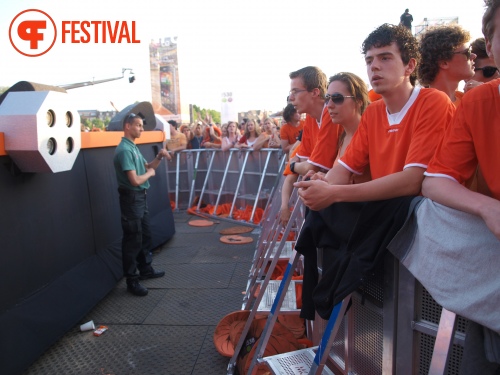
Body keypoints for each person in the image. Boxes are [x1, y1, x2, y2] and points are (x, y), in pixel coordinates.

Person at [292, 24, 455, 320]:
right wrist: (321, 184)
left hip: (423, 229)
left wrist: (333, 192)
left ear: (410, 65)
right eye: (369, 60)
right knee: (317, 214)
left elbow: (412, 181)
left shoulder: (433, 102)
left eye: (385, 58)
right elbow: (343, 169)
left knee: (415, 320)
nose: (375, 67)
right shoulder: (375, 112)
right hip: (388, 222)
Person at [399, 2, 500, 371]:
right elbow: (430, 179)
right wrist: (487, 207)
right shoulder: (475, 101)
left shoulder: (447, 101)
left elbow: (413, 179)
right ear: (491, 43)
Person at [113, 113, 169, 296]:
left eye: (142, 125)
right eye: (138, 125)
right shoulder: (124, 150)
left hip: (139, 198)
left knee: (144, 234)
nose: (142, 129)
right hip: (132, 198)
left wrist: (159, 156)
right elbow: (136, 180)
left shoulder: (132, 148)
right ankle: (132, 280)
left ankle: (145, 269)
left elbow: (148, 166)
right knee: (132, 240)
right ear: (127, 126)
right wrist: (150, 174)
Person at [418, 24, 476, 105]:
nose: (474, 56)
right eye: (467, 52)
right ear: (444, 63)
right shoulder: (424, 105)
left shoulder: (468, 100)